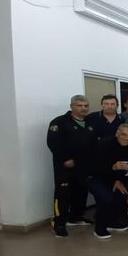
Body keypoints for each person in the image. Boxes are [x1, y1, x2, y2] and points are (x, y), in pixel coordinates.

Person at [47, 95, 95, 236]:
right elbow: (53, 143)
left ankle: (75, 217)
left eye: (86, 105)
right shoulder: (60, 122)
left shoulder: (90, 122)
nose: (83, 108)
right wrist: (65, 159)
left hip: (83, 166)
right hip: (65, 166)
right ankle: (59, 223)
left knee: (80, 192)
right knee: (62, 195)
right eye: (79, 105)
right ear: (72, 106)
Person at [86, 124, 128, 239]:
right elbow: (94, 168)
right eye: (123, 134)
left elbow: (126, 167)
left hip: (111, 177)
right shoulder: (103, 145)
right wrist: (113, 168)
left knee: (121, 195)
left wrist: (117, 180)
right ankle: (100, 228)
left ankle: (112, 222)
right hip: (91, 176)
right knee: (106, 198)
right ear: (117, 133)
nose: (126, 138)